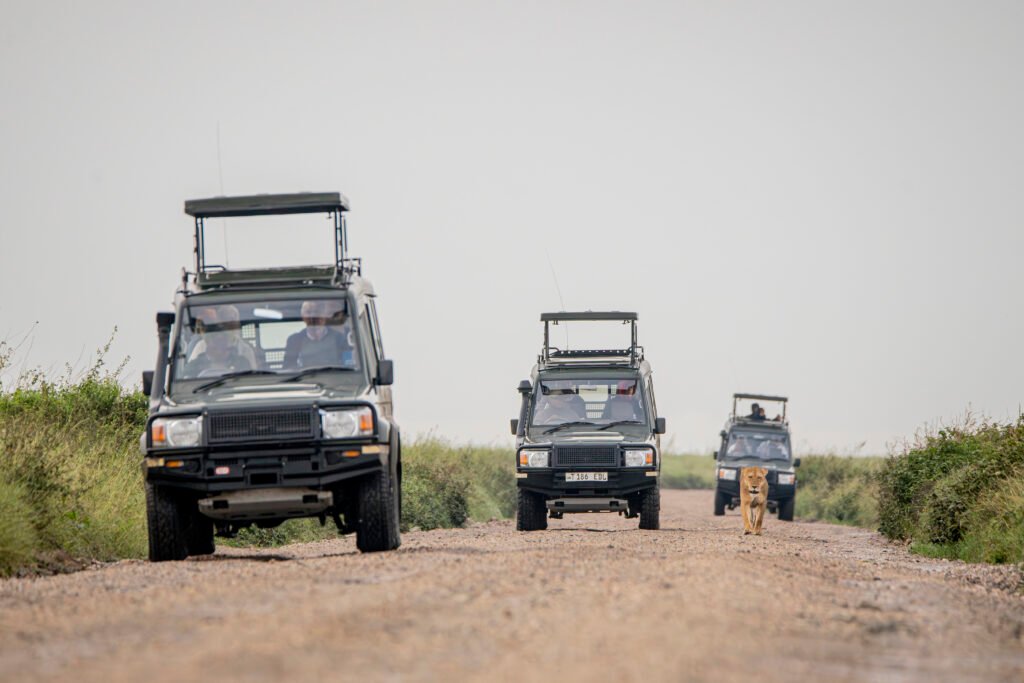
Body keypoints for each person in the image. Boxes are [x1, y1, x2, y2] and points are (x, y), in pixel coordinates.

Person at [185, 306, 256, 377]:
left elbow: (252, 378)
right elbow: (186, 380)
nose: (219, 349)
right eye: (226, 320)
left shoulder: (242, 360)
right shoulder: (197, 361)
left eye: (232, 320)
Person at [283, 300, 355, 370]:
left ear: (325, 315)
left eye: (317, 312)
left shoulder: (339, 338)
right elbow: (288, 368)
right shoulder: (294, 340)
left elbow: (348, 365)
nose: (313, 317)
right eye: (308, 312)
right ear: (303, 317)